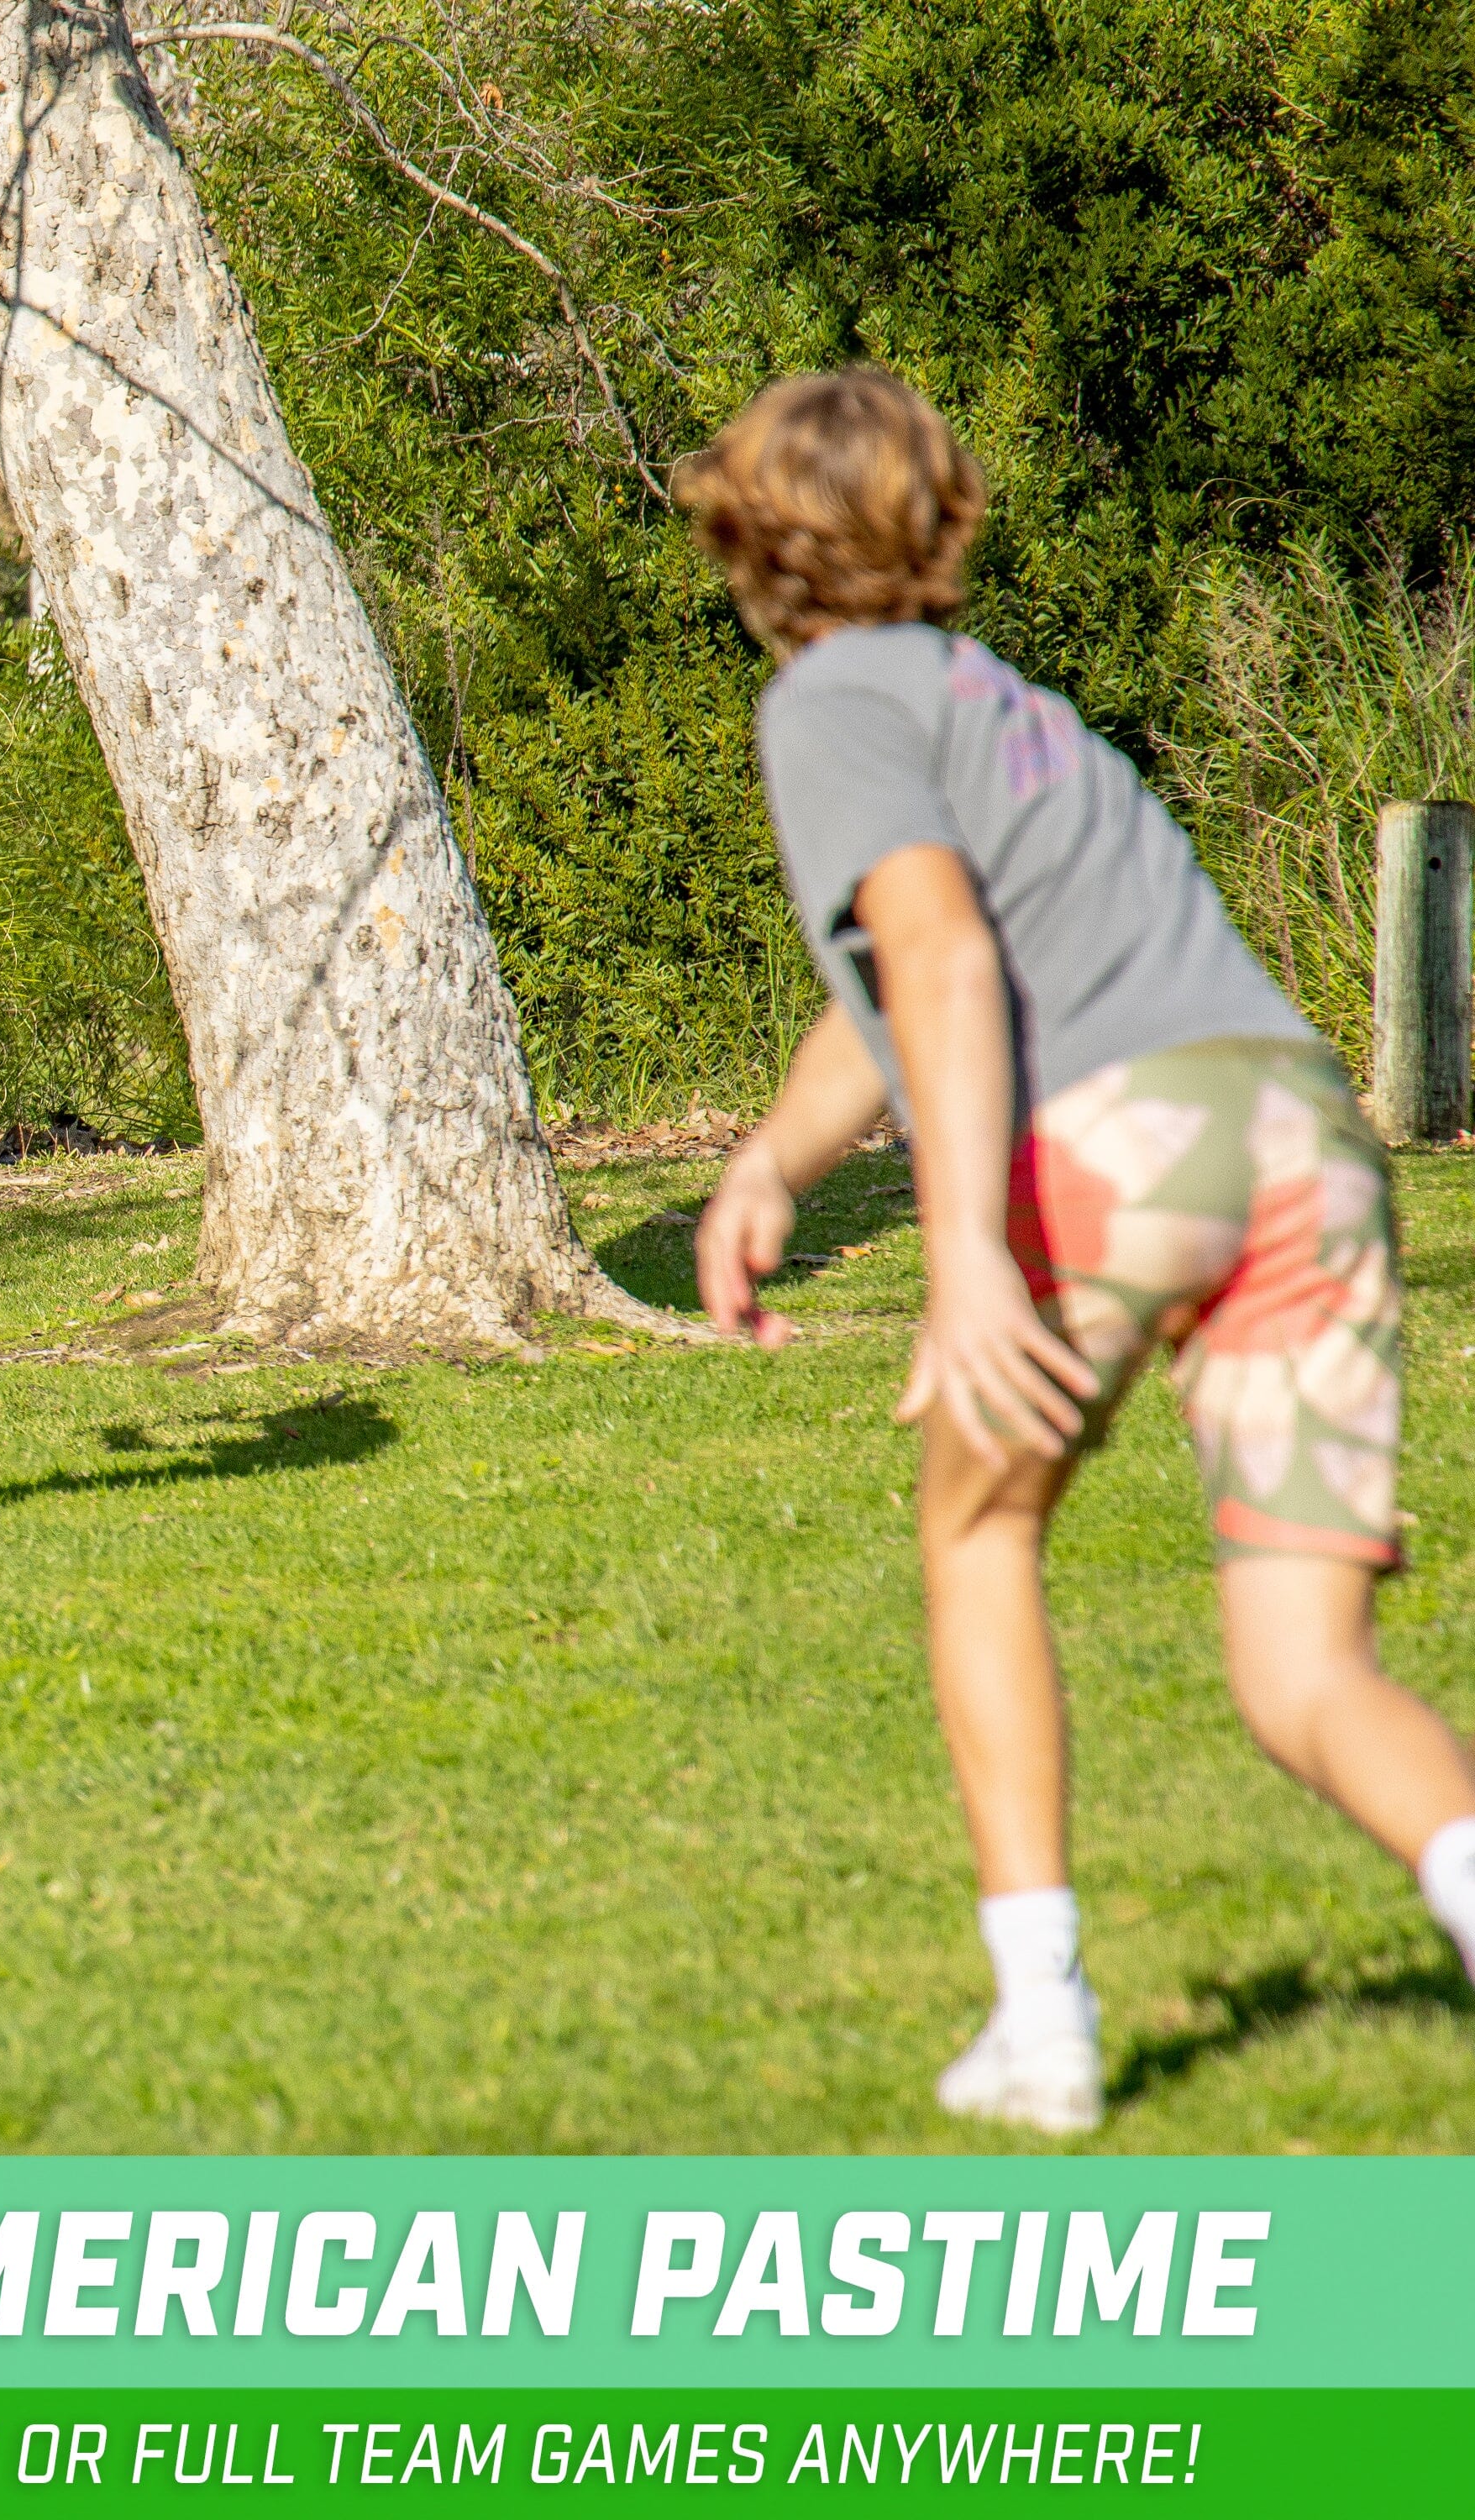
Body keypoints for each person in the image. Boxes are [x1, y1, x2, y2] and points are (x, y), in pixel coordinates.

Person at [676, 370, 1475, 2134]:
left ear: (744, 533)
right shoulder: (999, 700)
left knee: (978, 1525)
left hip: (1123, 1142)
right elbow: (890, 981)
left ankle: (1042, 2023)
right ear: (944, 512)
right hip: (1296, 1132)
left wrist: (964, 1252)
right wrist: (770, 1165)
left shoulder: (827, 698)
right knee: (1303, 1673)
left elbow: (945, 960)